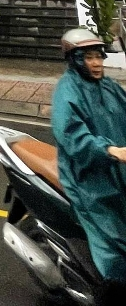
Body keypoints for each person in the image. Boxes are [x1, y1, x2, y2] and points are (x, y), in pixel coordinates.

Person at [51, 28, 126, 299]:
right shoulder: (67, 90)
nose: (96, 63)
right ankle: (111, 289)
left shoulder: (109, 87)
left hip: (117, 170)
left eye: (98, 56)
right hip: (87, 177)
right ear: (75, 60)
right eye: (88, 58)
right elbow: (71, 134)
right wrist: (110, 150)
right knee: (112, 239)